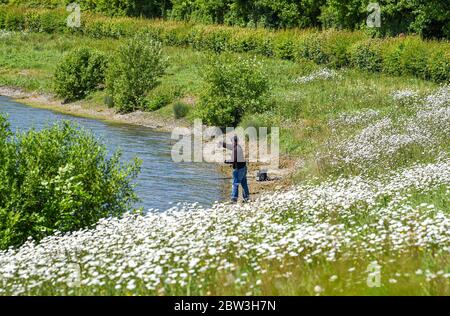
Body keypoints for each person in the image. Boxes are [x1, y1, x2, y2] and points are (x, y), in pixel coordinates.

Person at [223, 135, 250, 203]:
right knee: (244, 184)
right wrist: (223, 144)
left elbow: (234, 160)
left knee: (235, 183)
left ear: (233, 142)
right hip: (243, 168)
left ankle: (234, 199)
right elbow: (230, 147)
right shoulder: (238, 146)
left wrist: (226, 161)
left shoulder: (236, 149)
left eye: (231, 141)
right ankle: (246, 198)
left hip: (239, 169)